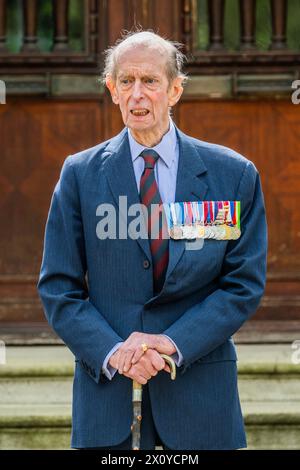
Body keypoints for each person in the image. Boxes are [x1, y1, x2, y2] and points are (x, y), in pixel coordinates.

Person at [37, 30, 267, 450]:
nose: (137, 94)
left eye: (150, 82)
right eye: (126, 81)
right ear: (112, 90)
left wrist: (171, 343)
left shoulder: (231, 176)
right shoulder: (80, 175)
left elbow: (241, 284)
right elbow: (59, 288)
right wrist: (113, 352)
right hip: (107, 405)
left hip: (202, 402)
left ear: (175, 90)